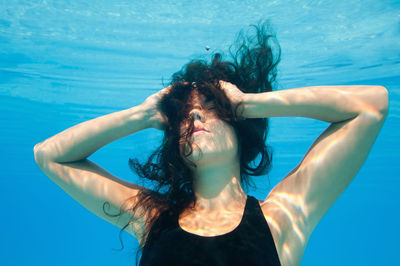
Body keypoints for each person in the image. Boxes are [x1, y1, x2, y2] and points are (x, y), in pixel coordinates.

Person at [33, 22, 389, 266]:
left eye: (211, 108)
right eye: (184, 114)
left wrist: (249, 103)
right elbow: (49, 156)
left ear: (240, 128)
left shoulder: (281, 216)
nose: (195, 118)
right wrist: (142, 115)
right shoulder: (152, 217)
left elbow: (371, 107)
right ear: (175, 142)